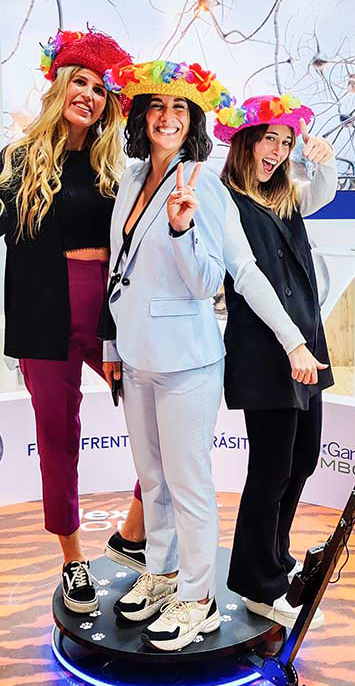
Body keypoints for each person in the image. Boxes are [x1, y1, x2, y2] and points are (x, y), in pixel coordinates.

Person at [100, 60, 324, 652]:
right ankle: (164, 572)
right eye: (157, 107)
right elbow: (116, 270)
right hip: (137, 355)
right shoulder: (127, 180)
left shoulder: (204, 183)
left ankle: (198, 597)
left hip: (189, 361)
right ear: (141, 116)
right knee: (153, 480)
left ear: (193, 119)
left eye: (179, 108)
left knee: (188, 482)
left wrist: (292, 338)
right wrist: (110, 344)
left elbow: (223, 278)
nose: (167, 117)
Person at [0, 28, 147, 615]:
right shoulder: (19, 159)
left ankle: (134, 534)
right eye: (79, 82)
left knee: (155, 424)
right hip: (44, 311)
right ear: (61, 85)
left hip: (112, 311)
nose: (88, 94)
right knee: (58, 437)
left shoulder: (120, 162)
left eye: (99, 87)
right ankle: (72, 559)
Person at [214, 95, 338, 627]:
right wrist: (292, 343)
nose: (278, 151)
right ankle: (258, 584)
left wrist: (323, 161)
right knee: (271, 468)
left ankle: (275, 558)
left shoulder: (281, 198)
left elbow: (322, 194)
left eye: (286, 143)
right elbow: (249, 278)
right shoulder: (227, 201)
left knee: (303, 458)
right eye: (270, 139)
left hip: (305, 345)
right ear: (246, 140)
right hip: (269, 352)